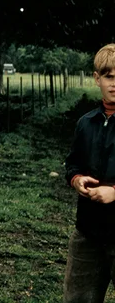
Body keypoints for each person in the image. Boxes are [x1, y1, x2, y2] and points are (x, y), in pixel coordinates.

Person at [63, 44, 115, 302]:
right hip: (88, 233)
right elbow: (72, 163)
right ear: (97, 78)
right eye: (109, 76)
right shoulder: (86, 123)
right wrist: (77, 179)